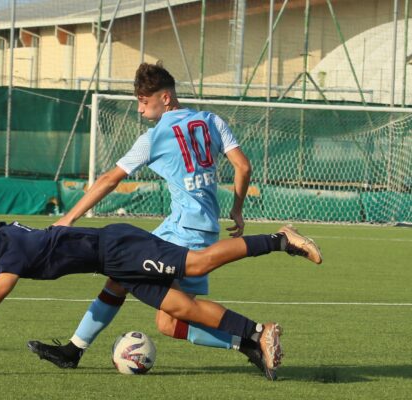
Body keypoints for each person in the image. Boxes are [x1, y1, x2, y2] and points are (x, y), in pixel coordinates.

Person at [27, 62, 266, 377]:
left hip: (184, 232)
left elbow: (109, 179)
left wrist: (69, 218)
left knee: (135, 285)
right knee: (161, 318)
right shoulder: (211, 120)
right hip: (195, 229)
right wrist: (237, 209)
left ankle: (253, 336)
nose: (139, 109)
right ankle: (247, 345)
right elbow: (244, 167)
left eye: (143, 100)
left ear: (165, 98)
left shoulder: (155, 137)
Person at [0, 205, 322, 378]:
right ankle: (256, 334)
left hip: (120, 247)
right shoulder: (5, 240)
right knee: (180, 308)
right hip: (114, 263)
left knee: (197, 262)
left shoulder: (12, 255)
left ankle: (281, 240)